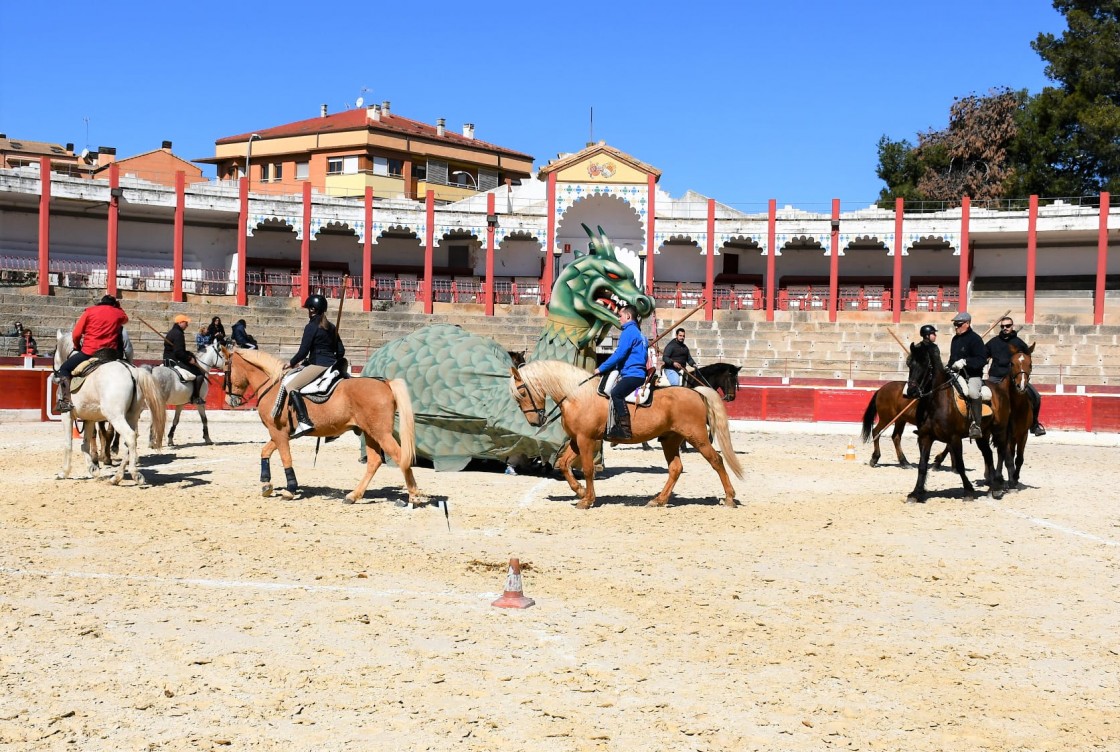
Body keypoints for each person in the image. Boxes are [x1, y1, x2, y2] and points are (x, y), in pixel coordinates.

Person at [282, 294, 345, 438]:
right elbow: (341, 351)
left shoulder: (311, 327)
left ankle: (304, 421)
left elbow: (303, 351)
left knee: (291, 386)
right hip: (333, 366)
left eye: (308, 309)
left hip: (318, 365)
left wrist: (291, 363)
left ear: (312, 309)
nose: (308, 311)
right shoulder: (332, 327)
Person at [55, 294, 129, 412]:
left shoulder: (90, 311)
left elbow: (76, 334)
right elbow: (125, 319)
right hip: (110, 355)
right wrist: (118, 307)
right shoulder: (118, 313)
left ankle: (65, 401)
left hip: (90, 352)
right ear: (114, 304)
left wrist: (77, 346)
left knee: (64, 369)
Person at [592, 305, 649, 440]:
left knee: (616, 393)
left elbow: (619, 354)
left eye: (620, 316)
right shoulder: (640, 334)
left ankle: (625, 429)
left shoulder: (629, 332)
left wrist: (601, 368)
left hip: (633, 374)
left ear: (628, 316)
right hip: (638, 373)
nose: (619, 318)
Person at [986, 316, 1046, 436]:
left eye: (1008, 326)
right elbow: (983, 355)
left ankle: (1034, 424)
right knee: (983, 395)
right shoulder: (993, 342)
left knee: (1036, 396)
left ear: (1012, 327)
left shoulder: (1020, 344)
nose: (1005, 328)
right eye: (1002, 326)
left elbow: (1027, 359)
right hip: (996, 378)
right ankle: (981, 424)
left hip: (1015, 379)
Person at [948, 311, 988, 440]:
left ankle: (976, 424)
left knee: (972, 393)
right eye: (955, 324)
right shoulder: (955, 339)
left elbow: (982, 360)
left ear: (967, 323)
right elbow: (952, 358)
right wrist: (948, 367)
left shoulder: (975, 339)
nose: (956, 327)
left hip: (972, 375)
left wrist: (966, 362)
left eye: (958, 324)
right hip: (955, 373)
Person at [163, 314, 207, 405]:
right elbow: (179, 352)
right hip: (175, 359)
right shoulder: (178, 334)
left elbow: (178, 350)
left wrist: (188, 353)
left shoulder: (172, 332)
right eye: (186, 323)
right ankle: (195, 397)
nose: (187, 325)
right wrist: (189, 358)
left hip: (168, 358)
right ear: (180, 322)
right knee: (199, 374)